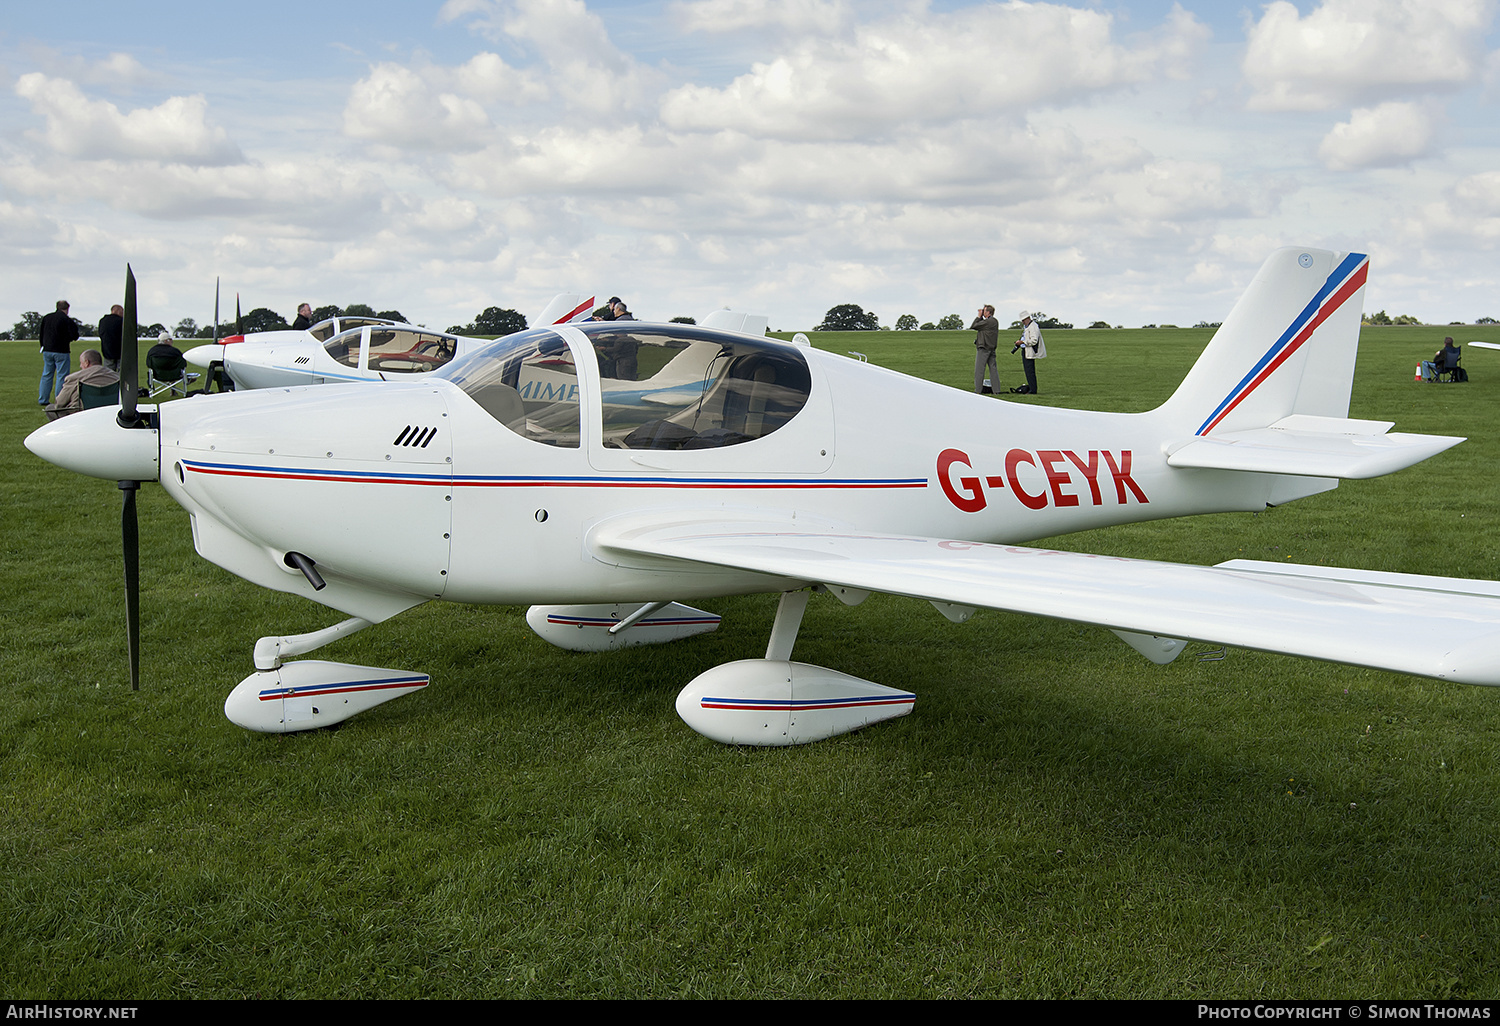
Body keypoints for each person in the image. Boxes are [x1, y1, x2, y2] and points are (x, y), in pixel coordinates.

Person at [44, 349, 118, 421]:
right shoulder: (116, 378)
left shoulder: (74, 378)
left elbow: (59, 404)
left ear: (86, 362)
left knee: (50, 409)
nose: (80, 366)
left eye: (81, 363)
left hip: (80, 416)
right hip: (109, 414)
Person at [37, 300, 79, 406]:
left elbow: (41, 333)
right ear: (67, 308)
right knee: (62, 375)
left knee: (47, 374)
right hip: (61, 350)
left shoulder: (47, 317)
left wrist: (43, 345)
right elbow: (74, 335)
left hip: (47, 349)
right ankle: (59, 399)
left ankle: (43, 399)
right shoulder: (66, 320)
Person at [1011, 311, 1046, 395]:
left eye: (1023, 320)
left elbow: (1034, 341)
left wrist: (1022, 342)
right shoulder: (1028, 326)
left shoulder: (1033, 326)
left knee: (1030, 371)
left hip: (1030, 351)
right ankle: (1031, 387)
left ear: (1027, 318)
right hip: (1026, 350)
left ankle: (1033, 390)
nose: (1022, 322)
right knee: (1028, 371)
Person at [970, 305, 999, 394]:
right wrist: (982, 318)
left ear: (988, 312)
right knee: (993, 369)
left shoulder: (988, 322)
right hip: (991, 348)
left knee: (979, 370)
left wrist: (979, 316)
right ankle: (996, 390)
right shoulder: (994, 321)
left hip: (984, 348)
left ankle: (978, 390)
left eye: (984, 311)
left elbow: (974, 326)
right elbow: (982, 325)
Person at [98, 304, 124, 372]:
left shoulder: (103, 321)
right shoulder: (121, 321)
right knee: (122, 373)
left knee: (108, 373)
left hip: (107, 351)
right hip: (120, 351)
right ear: (119, 311)